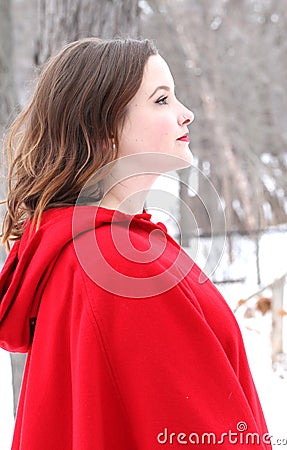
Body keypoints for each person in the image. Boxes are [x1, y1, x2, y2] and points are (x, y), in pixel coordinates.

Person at [0, 38, 272, 449]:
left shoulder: (86, 250)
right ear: (105, 129)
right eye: (162, 99)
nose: (186, 113)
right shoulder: (120, 264)